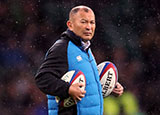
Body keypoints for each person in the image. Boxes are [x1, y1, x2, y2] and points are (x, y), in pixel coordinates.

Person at [35, 5, 123, 115]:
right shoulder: (62, 48)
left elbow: (85, 85)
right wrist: (68, 89)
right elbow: (42, 79)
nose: (88, 27)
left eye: (92, 22)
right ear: (70, 25)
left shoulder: (85, 49)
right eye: (83, 22)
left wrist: (109, 86)